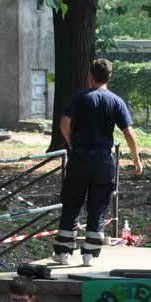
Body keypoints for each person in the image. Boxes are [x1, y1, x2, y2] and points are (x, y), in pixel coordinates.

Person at [54, 58, 141, 267]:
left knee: (71, 203)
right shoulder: (116, 101)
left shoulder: (80, 97)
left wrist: (71, 142)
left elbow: (64, 122)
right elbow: (129, 132)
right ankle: (89, 255)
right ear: (108, 77)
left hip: (80, 158)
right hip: (103, 161)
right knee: (98, 206)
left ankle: (64, 252)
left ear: (91, 75)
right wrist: (136, 158)